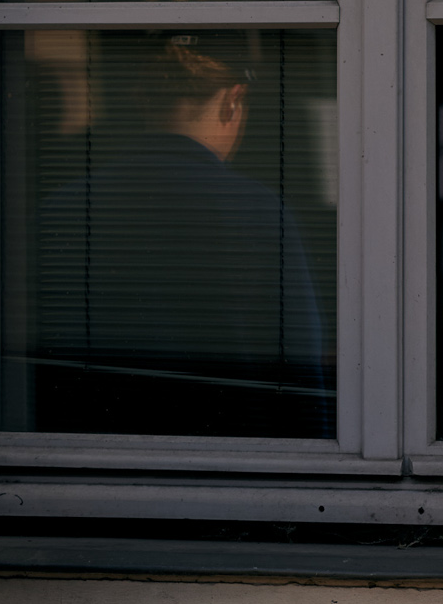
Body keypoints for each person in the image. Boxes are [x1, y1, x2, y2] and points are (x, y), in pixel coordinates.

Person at [32, 33, 329, 436]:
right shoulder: (259, 213)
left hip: (95, 448)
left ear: (144, 100)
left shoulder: (63, 209)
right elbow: (301, 370)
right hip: (239, 451)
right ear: (232, 100)